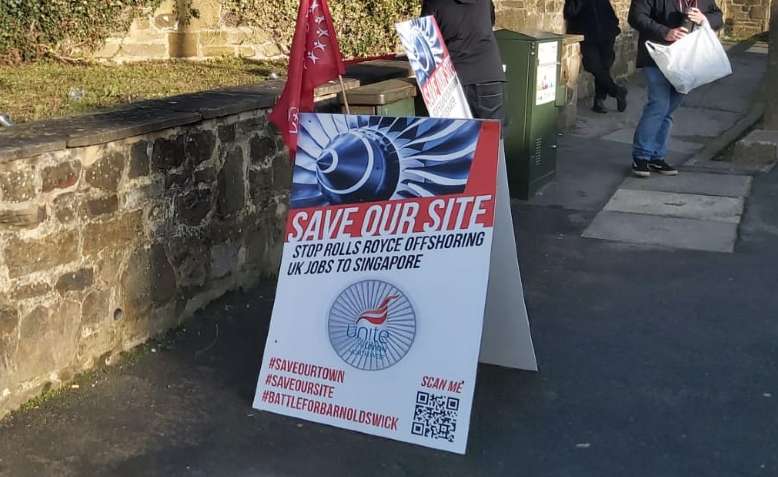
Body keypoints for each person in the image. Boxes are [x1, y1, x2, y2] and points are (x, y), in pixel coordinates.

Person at [628, 0, 723, 177]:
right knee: (659, 105)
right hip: (657, 57)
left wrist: (704, 19)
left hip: (686, 61)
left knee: (669, 109)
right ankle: (641, 156)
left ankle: (656, 157)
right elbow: (636, 17)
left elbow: (718, 16)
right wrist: (666, 32)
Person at [421, 0, 506, 124]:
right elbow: (491, 22)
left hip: (454, 78)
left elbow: (425, 37)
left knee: (458, 137)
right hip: (489, 74)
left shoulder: (434, 3)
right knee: (493, 136)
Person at [564, 0, 628, 113]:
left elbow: (608, 9)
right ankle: (617, 91)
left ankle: (599, 101)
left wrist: (614, 25)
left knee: (604, 66)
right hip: (587, 36)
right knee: (592, 65)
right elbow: (570, 13)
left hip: (606, 34)